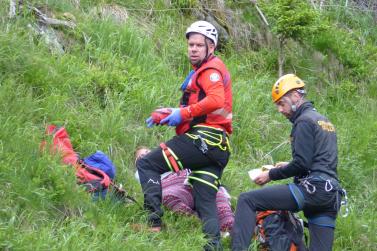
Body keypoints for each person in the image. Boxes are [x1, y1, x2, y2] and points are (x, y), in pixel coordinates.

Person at [136, 20, 233, 250]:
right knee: (205, 201)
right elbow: (204, 110)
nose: (193, 49)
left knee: (147, 164)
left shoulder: (210, 70)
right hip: (218, 148)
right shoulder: (202, 71)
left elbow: (216, 100)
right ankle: (213, 247)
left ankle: (153, 222)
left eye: (199, 45)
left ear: (212, 47)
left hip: (204, 140)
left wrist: (183, 112)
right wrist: (170, 114)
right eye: (191, 44)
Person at [231, 74, 345, 251]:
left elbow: (302, 164)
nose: (280, 110)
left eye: (281, 103)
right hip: (331, 197)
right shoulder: (324, 121)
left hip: (311, 190)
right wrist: (288, 165)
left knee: (247, 200)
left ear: (295, 96)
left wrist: (270, 175)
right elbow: (319, 161)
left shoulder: (303, 121)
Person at [134, 147, 234, 234]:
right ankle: (203, 225)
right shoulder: (142, 171)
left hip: (192, 179)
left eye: (147, 151)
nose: (146, 155)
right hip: (172, 187)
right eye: (141, 156)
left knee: (216, 194)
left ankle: (231, 229)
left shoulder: (168, 156)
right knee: (168, 196)